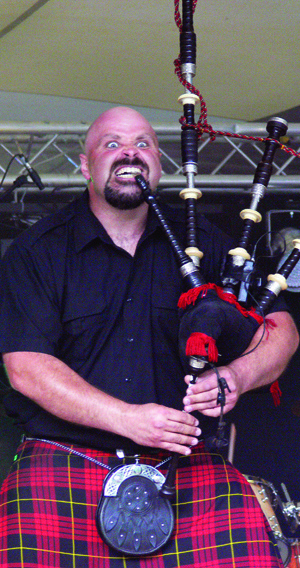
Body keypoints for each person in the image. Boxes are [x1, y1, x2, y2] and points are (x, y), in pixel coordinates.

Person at [0, 106, 298, 568]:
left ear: (159, 164)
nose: (129, 154)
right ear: (85, 165)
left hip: (186, 469)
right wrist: (128, 419)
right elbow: (26, 368)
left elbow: (281, 331)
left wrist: (236, 376)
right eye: (112, 144)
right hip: (62, 463)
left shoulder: (209, 245)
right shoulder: (37, 251)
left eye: (142, 144)